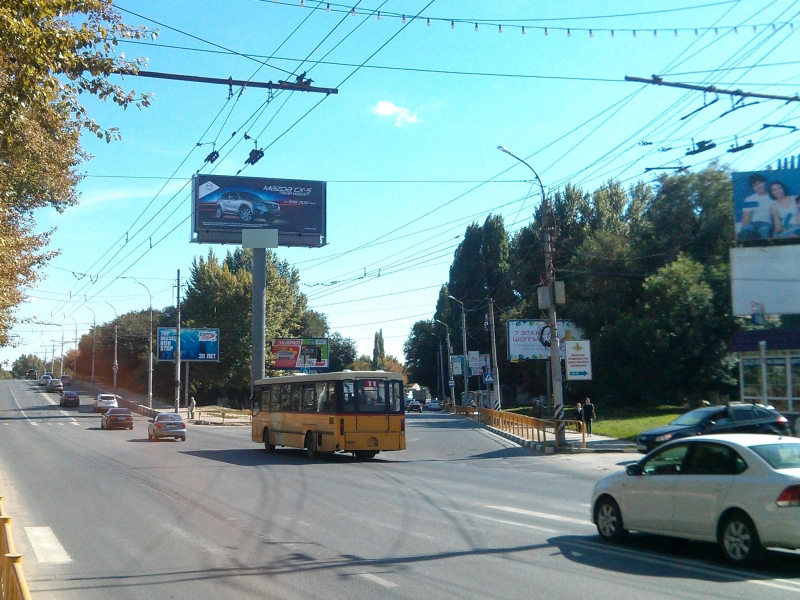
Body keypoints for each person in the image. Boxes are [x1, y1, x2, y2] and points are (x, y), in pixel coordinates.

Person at [738, 173, 774, 239]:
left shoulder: (773, 197)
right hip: (752, 224)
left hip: (766, 224)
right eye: (755, 185)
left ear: (764, 182)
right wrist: (746, 227)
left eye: (760, 183)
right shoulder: (750, 199)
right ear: (753, 188)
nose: (758, 187)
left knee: (764, 231)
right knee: (745, 229)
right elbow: (746, 216)